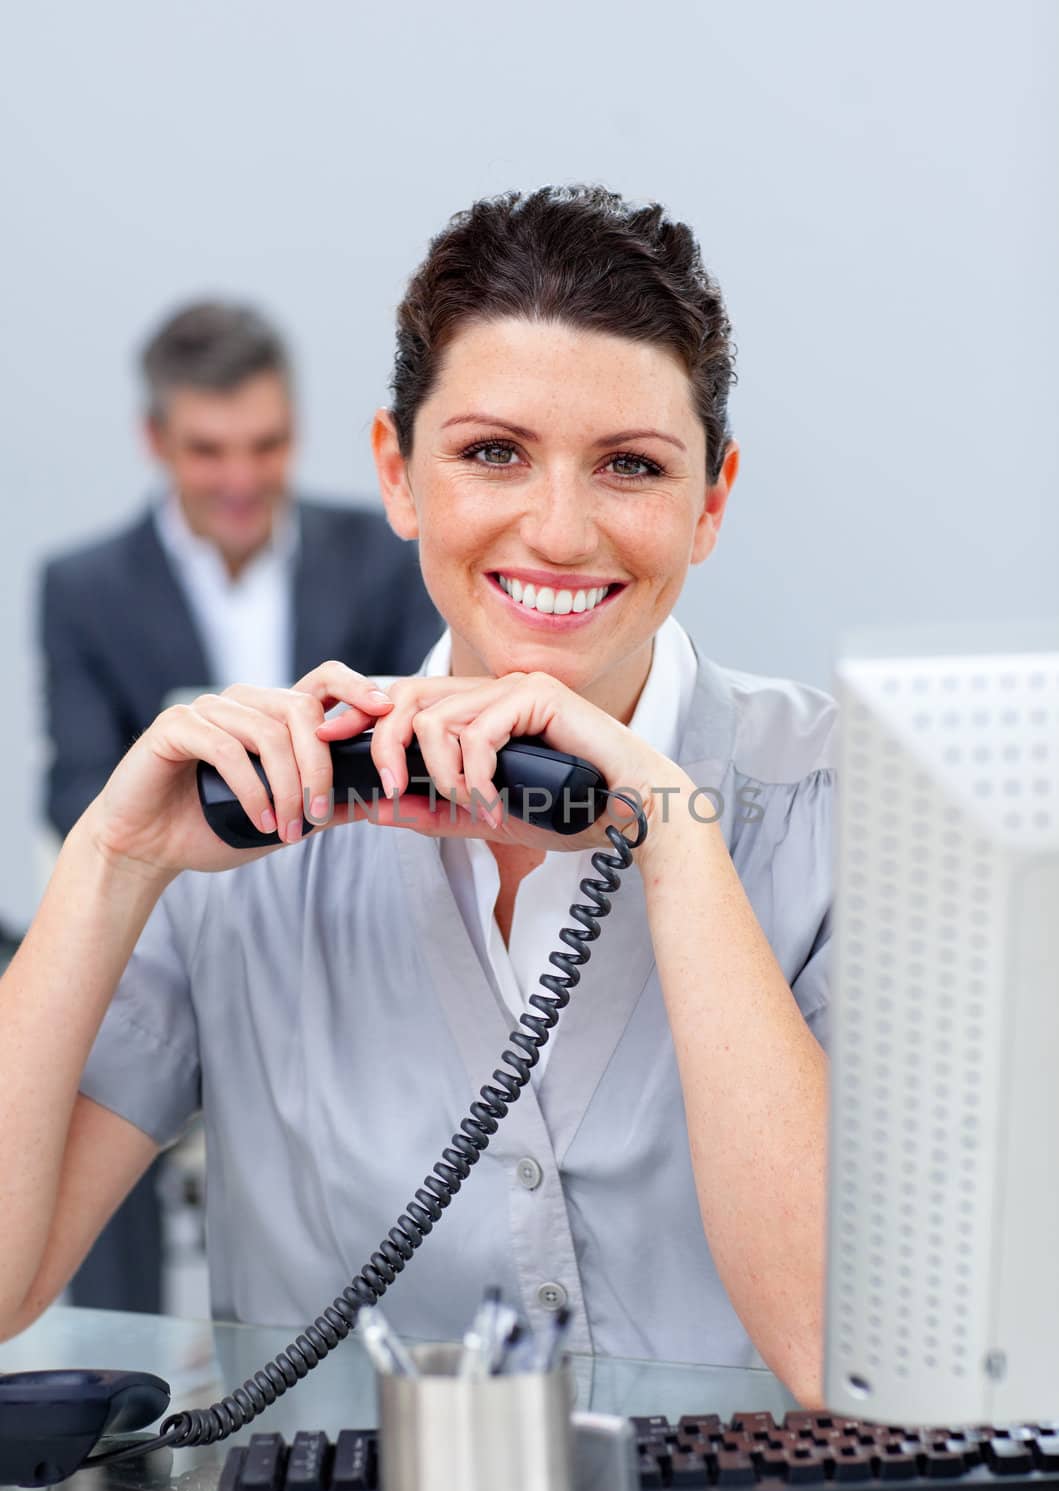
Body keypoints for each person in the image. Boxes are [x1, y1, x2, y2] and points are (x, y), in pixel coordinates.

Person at [2, 187, 833, 1404]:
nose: (557, 529)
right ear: (398, 474)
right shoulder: (252, 828)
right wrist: (114, 860)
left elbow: (835, 1352)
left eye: (632, 466)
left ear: (710, 501)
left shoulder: (847, 806)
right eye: (492, 452)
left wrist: (677, 845)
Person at [38, 299, 440, 1316]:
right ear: (157, 441)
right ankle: (110, 1341)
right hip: (173, 906)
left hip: (356, 896)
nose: (240, 479)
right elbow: (76, 784)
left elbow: (422, 742)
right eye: (208, 450)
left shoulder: (385, 557)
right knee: (97, 1045)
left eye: (266, 445)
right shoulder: (84, 587)